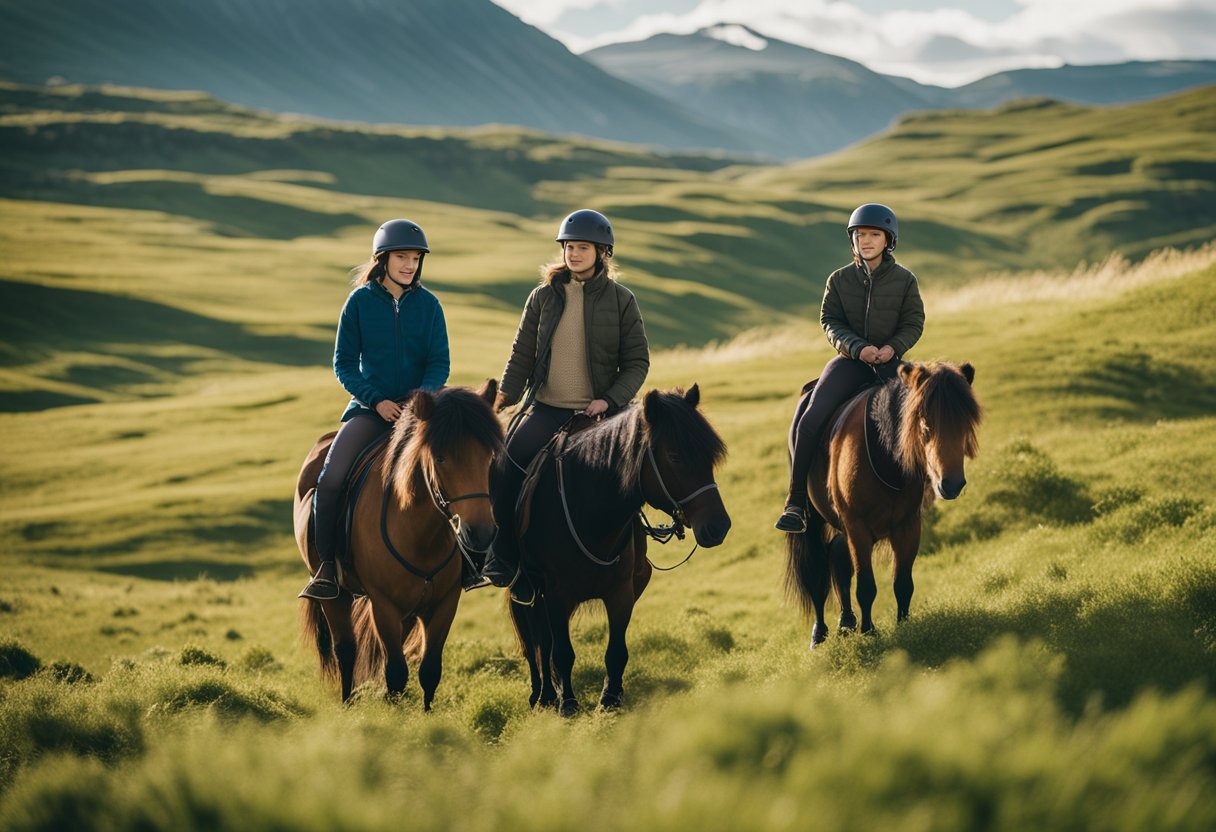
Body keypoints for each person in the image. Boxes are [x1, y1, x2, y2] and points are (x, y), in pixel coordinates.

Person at [478, 209, 650, 603]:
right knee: (505, 465)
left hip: (602, 415)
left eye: (582, 247)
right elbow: (521, 356)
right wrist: (502, 400)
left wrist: (609, 399)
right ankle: (505, 556)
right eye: (569, 247)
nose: (573, 254)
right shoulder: (542, 298)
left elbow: (638, 362)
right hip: (547, 408)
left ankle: (633, 559)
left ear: (601, 252)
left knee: (636, 473)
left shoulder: (622, 301)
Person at [299, 219, 450, 599]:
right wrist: (376, 401)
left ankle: (471, 561)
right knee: (331, 479)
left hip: (419, 411)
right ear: (382, 259)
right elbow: (344, 365)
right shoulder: (359, 303)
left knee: (464, 467)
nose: (410, 265)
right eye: (402, 257)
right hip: (370, 411)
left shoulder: (430, 306)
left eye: (415, 258)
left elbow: (439, 363)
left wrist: (420, 399)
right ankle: (328, 569)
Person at [774, 203, 925, 533]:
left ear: (889, 241)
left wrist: (892, 348)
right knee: (811, 417)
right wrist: (858, 348)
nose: (866, 241)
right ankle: (796, 502)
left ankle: (923, 493)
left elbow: (914, 321)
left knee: (925, 414)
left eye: (874, 234)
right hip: (850, 363)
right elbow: (830, 321)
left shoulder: (905, 281)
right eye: (860, 235)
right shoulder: (839, 280)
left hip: (891, 364)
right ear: (852, 241)